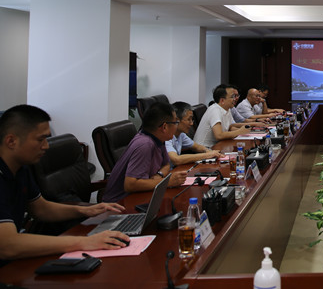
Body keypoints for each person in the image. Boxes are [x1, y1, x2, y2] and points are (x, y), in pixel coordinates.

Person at [0, 105, 129, 265]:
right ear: (11, 141)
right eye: (40, 139)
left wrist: (85, 210)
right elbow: (7, 245)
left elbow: (41, 209)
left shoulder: (21, 169)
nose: (46, 146)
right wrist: (84, 242)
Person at [102, 103, 188, 203]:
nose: (177, 126)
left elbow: (166, 164)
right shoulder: (144, 144)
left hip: (143, 195)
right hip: (120, 203)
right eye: (175, 122)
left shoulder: (159, 138)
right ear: (164, 127)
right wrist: (167, 182)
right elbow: (130, 184)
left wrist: (159, 175)